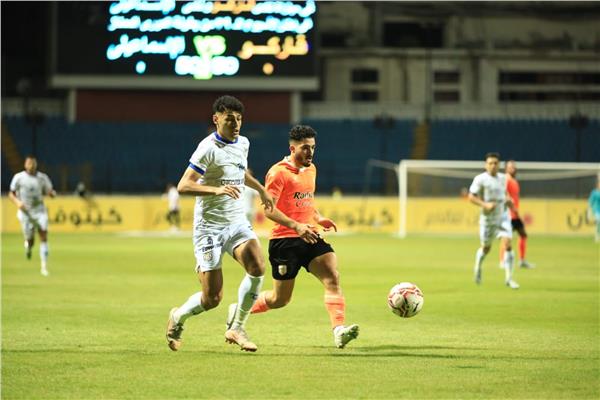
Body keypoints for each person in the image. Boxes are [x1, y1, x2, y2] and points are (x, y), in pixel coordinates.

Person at [227, 125, 359, 349]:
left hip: (310, 235)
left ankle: (338, 330)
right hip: (284, 241)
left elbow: (306, 201)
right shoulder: (278, 172)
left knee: (332, 277)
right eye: (305, 148)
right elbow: (268, 210)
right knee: (281, 300)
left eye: (313, 148)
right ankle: (239, 309)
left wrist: (318, 218)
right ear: (292, 148)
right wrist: (296, 226)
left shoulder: (311, 170)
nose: (310, 153)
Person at [165, 95, 274, 352]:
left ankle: (237, 327)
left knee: (258, 265)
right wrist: (217, 190)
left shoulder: (243, 143)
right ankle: (178, 317)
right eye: (229, 119)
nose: (235, 124)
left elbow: (240, 171)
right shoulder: (207, 148)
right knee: (212, 298)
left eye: (239, 119)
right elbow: (184, 185)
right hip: (209, 227)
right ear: (216, 119)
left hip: (236, 221)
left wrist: (261, 189)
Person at [468, 152, 520, 289]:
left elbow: (504, 194)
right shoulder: (480, 179)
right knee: (486, 248)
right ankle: (478, 267)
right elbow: (471, 197)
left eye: (495, 163)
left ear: (499, 165)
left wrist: (510, 202)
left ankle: (509, 278)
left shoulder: (503, 178)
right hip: (488, 219)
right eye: (490, 163)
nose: (493, 165)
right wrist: (485, 205)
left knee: (508, 244)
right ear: (486, 165)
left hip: (502, 216)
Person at [8, 156, 56, 276]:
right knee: (30, 240)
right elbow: (11, 194)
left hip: (39, 211)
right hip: (25, 213)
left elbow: (49, 190)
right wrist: (18, 202)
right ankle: (28, 247)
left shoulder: (42, 178)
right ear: (25, 165)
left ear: (36, 164)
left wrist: (52, 193)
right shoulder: (18, 178)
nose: (31, 166)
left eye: (33, 163)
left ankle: (44, 267)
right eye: (29, 163)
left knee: (43, 235)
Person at [499, 160, 535, 269]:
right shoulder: (506, 180)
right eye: (510, 167)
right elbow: (503, 193)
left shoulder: (514, 181)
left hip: (515, 214)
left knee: (523, 235)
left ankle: (522, 261)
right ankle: (502, 261)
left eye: (514, 167)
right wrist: (509, 205)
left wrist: (516, 211)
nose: (513, 169)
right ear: (506, 169)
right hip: (508, 214)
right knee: (506, 238)